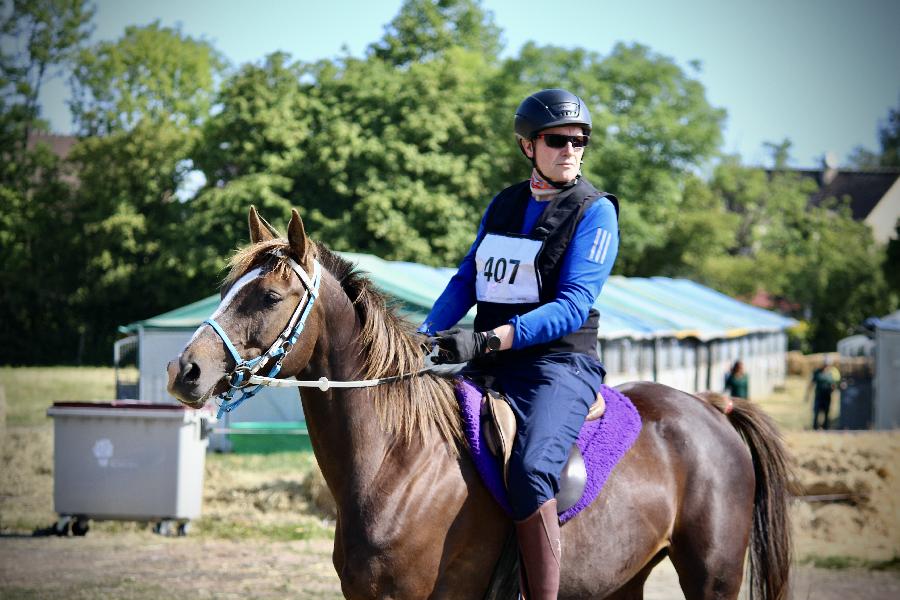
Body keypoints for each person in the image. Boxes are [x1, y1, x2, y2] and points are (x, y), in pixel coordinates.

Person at [420, 89, 619, 599]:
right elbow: (467, 280)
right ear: (527, 145)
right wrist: (422, 338)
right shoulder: (504, 203)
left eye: (580, 141)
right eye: (557, 140)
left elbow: (574, 305)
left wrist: (489, 340)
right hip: (492, 360)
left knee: (530, 470)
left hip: (558, 365)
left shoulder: (596, 213)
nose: (571, 149)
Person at [807, 356, 841, 430]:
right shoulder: (817, 372)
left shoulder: (831, 374)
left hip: (827, 396)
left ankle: (825, 428)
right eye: (825, 364)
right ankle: (815, 428)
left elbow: (834, 385)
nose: (826, 366)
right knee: (816, 412)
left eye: (828, 364)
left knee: (826, 413)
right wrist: (807, 394)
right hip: (818, 397)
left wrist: (834, 388)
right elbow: (811, 383)